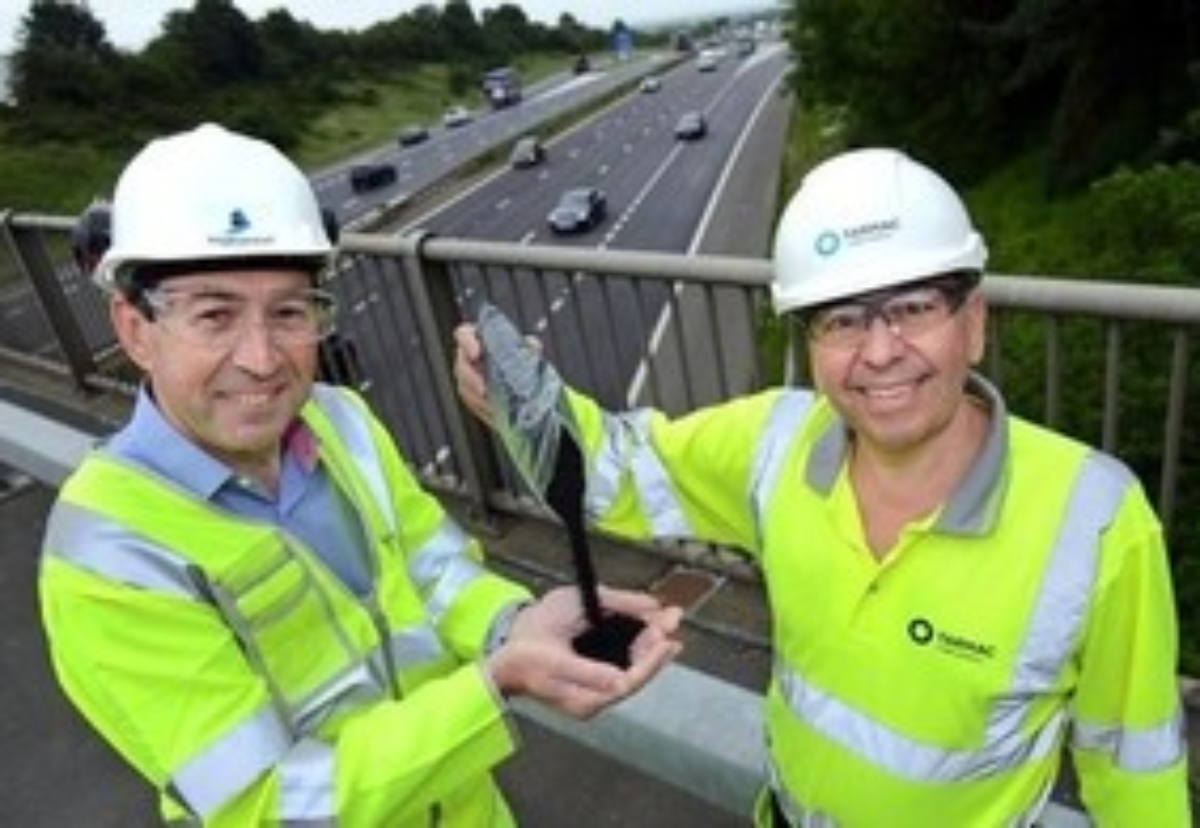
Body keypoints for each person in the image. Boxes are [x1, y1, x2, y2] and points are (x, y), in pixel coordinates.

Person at [454, 147, 1192, 825]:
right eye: (841, 319)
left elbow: (1135, 767)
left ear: (973, 321)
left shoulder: (1095, 521)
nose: (878, 352)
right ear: (808, 346)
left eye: (911, 308)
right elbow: (613, 470)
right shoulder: (775, 443)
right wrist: (521, 404)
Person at [39, 122, 682, 826]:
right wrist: (495, 683)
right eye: (215, 315)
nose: (261, 358)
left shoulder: (338, 419)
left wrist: (516, 624)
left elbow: (434, 570)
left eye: (289, 312)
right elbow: (267, 804)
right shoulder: (108, 554)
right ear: (134, 329)